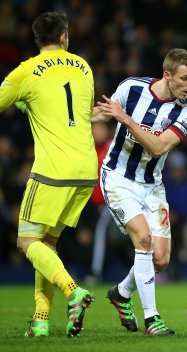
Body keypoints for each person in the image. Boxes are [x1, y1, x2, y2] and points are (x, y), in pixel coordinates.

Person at [0, 12, 96, 337]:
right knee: (47, 243)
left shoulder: (25, 71)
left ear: (36, 40)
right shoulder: (84, 66)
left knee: (26, 241)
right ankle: (41, 321)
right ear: (65, 37)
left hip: (52, 170)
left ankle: (74, 292)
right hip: (86, 169)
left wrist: (22, 99)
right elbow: (76, 112)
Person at [92, 48, 187, 335]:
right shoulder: (131, 87)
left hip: (152, 185)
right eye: (185, 78)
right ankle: (153, 319)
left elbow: (159, 147)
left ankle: (121, 293)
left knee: (161, 259)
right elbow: (101, 115)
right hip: (117, 178)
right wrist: (67, 122)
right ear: (167, 75)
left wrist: (125, 119)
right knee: (143, 238)